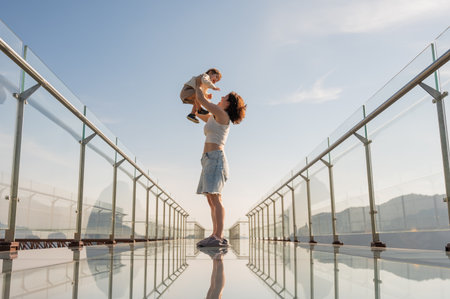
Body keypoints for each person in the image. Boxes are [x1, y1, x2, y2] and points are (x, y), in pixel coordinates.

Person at [195, 86, 246, 247]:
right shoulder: (214, 116)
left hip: (216, 159)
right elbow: (198, 111)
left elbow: (203, 101)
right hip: (208, 160)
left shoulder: (222, 115)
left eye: (225, 97)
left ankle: (218, 236)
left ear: (228, 104)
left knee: (215, 198)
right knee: (211, 199)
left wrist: (199, 85)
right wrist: (194, 99)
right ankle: (216, 235)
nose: (221, 96)